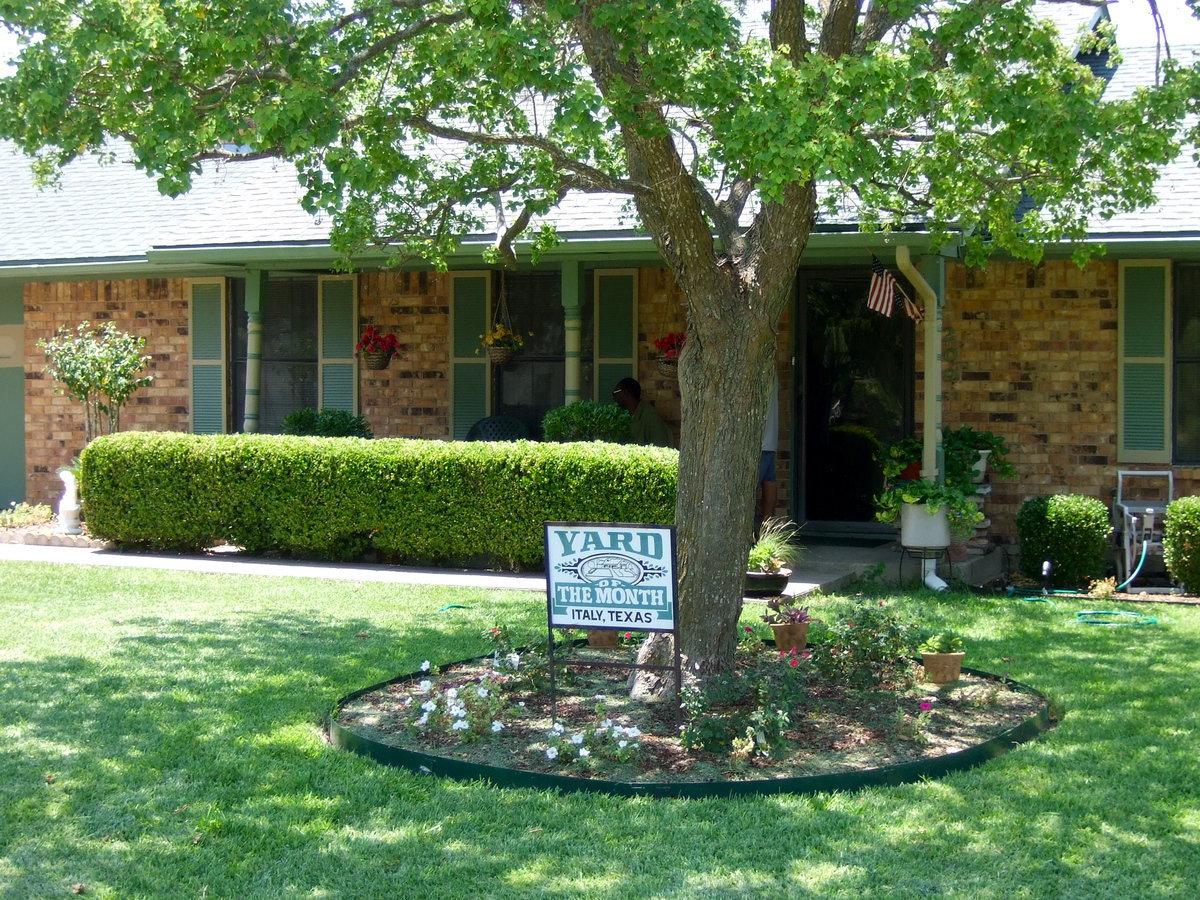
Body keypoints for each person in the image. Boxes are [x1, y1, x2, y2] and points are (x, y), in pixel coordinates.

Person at [612, 377, 673, 447]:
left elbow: (661, 446)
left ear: (625, 393)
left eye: (615, 393)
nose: (614, 398)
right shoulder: (619, 415)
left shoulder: (649, 415)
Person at [757, 370, 780, 532]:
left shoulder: (751, 370)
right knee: (769, 482)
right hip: (769, 439)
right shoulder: (771, 372)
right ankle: (767, 534)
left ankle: (748, 538)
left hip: (756, 442)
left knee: (746, 491)